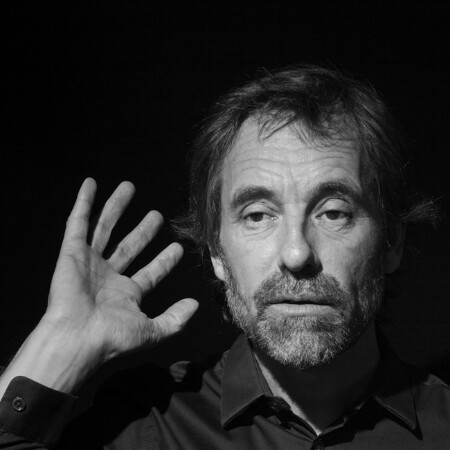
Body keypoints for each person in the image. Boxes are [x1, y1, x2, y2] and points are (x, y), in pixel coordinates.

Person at [0, 65, 449, 449]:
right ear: (216, 251)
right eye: (257, 215)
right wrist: (61, 341)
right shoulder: (145, 424)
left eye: (333, 212)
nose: (296, 254)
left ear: (391, 243)